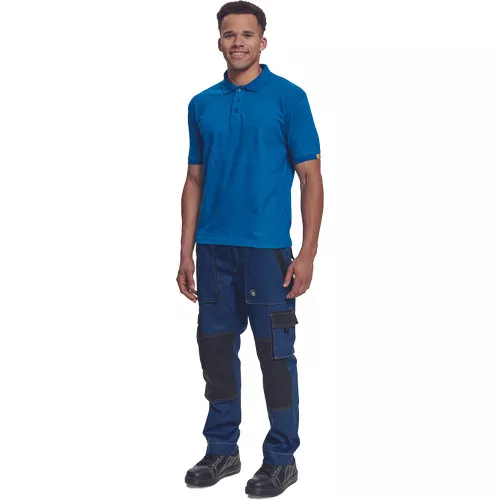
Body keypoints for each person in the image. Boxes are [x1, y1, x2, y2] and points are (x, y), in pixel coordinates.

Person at [176, 1, 323, 496]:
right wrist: (185, 252)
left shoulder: (289, 98)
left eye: (246, 34)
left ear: (263, 40)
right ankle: (222, 450)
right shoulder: (201, 104)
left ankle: (281, 458)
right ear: (219, 41)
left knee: (275, 355)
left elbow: (311, 177)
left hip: (267, 252)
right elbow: (194, 180)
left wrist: (307, 253)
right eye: (228, 34)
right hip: (213, 251)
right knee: (216, 353)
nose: (237, 41)